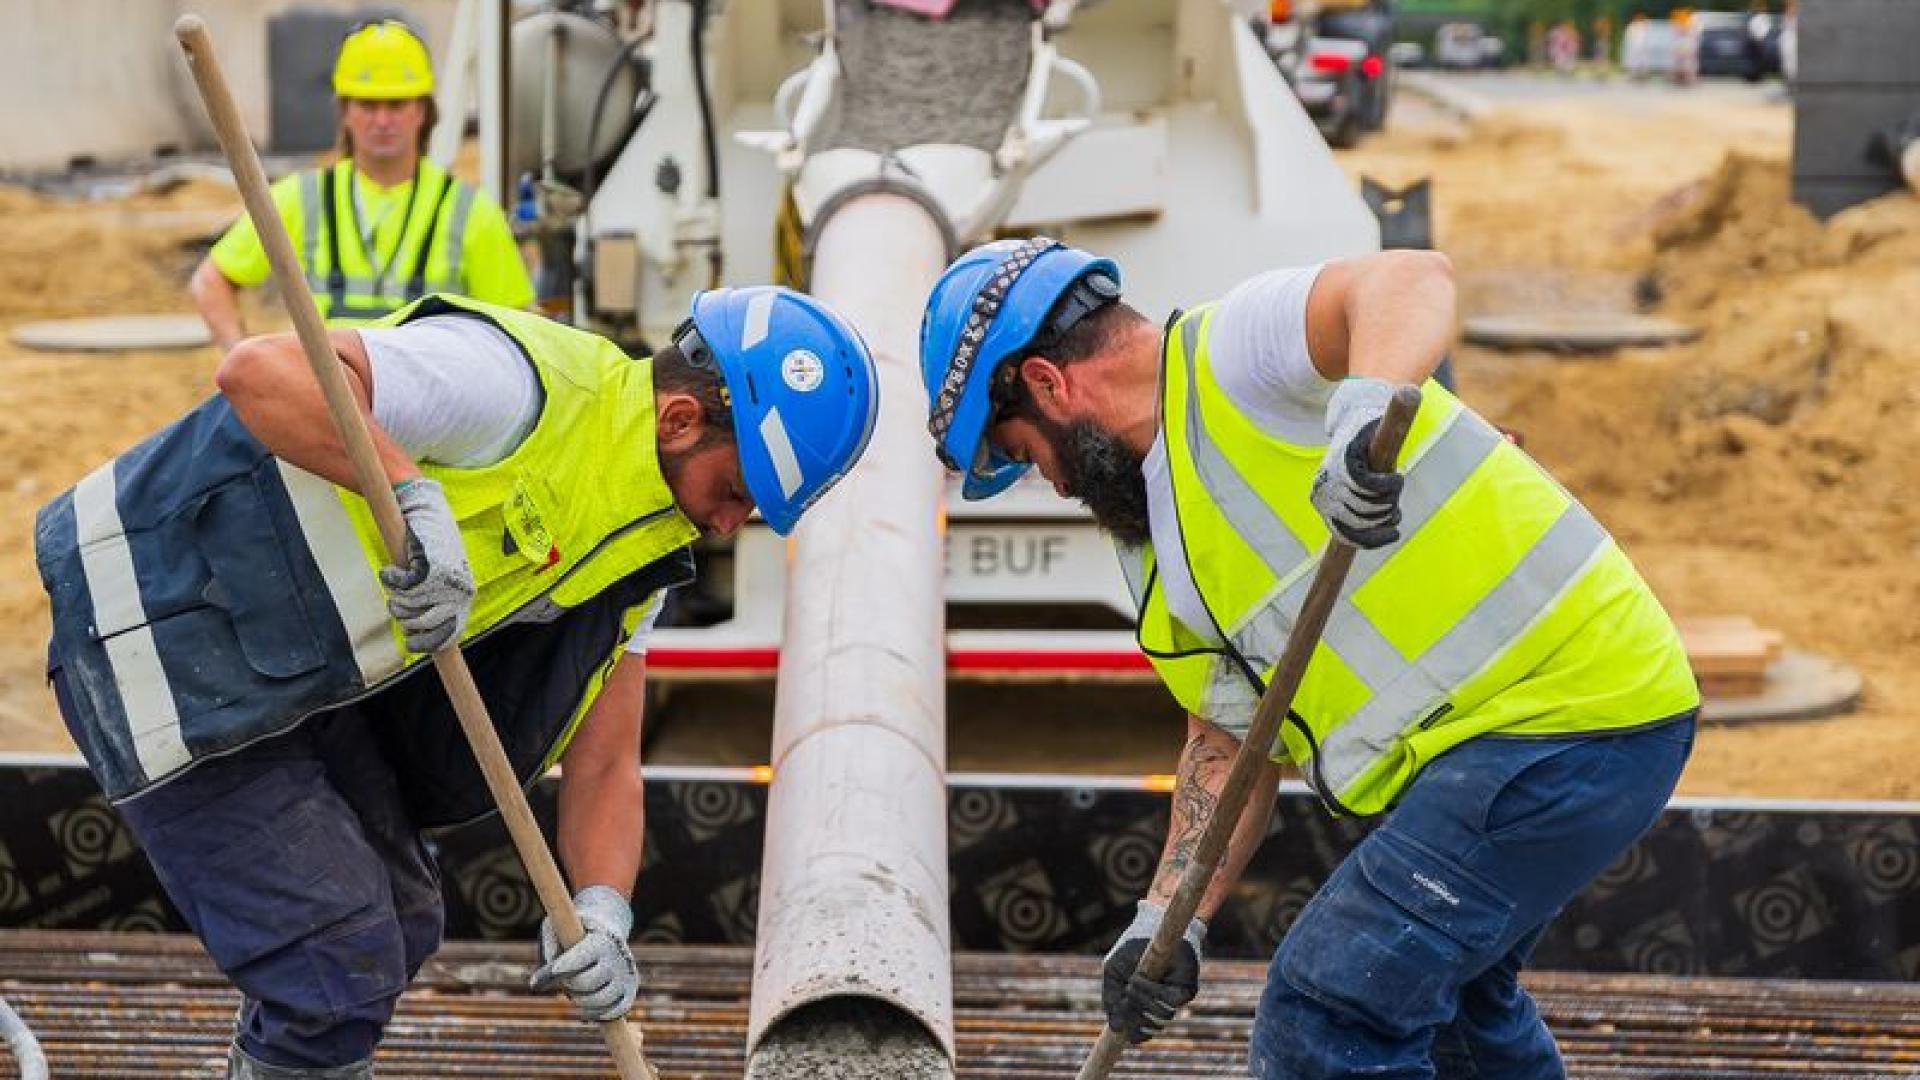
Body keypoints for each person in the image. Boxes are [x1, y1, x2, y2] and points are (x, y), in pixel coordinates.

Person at [37, 287, 878, 1079]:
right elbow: (259, 371)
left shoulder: (643, 546)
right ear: (680, 418)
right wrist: (413, 494)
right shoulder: (516, 388)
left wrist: (603, 912)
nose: (729, 524)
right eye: (734, 492)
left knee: (403, 917)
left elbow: (605, 762)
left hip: (284, 670)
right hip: (158, 623)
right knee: (335, 962)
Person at [919, 237, 1699, 1078]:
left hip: (1568, 710)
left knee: (1325, 1013)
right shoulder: (1151, 544)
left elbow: (1410, 277)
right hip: (1509, 748)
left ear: (1047, 384)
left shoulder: (1232, 358)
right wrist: (1167, 921)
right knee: (1457, 1017)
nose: (1053, 483)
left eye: (1021, 452)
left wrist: (1362, 416)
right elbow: (1230, 744)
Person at [191, 20, 533, 352]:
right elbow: (210, 282)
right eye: (368, 105)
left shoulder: (470, 212)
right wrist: (244, 357)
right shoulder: (301, 199)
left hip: (431, 391)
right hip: (326, 390)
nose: (382, 121)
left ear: (422, 111)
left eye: (396, 104)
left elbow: (518, 329)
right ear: (345, 111)